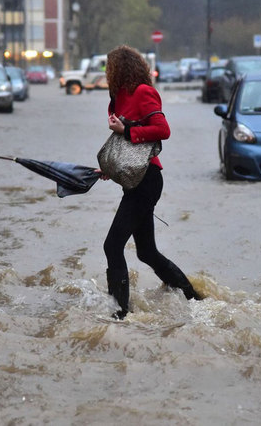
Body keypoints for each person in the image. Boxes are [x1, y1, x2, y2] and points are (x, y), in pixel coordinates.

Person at [98, 45, 203, 320]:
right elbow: (124, 146)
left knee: (112, 246)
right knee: (146, 252)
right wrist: (111, 167)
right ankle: (193, 298)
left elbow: (162, 130)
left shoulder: (143, 92)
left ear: (119, 69)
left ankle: (119, 315)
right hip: (132, 180)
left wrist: (127, 128)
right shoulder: (115, 98)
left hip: (148, 181)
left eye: (109, 68)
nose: (106, 74)